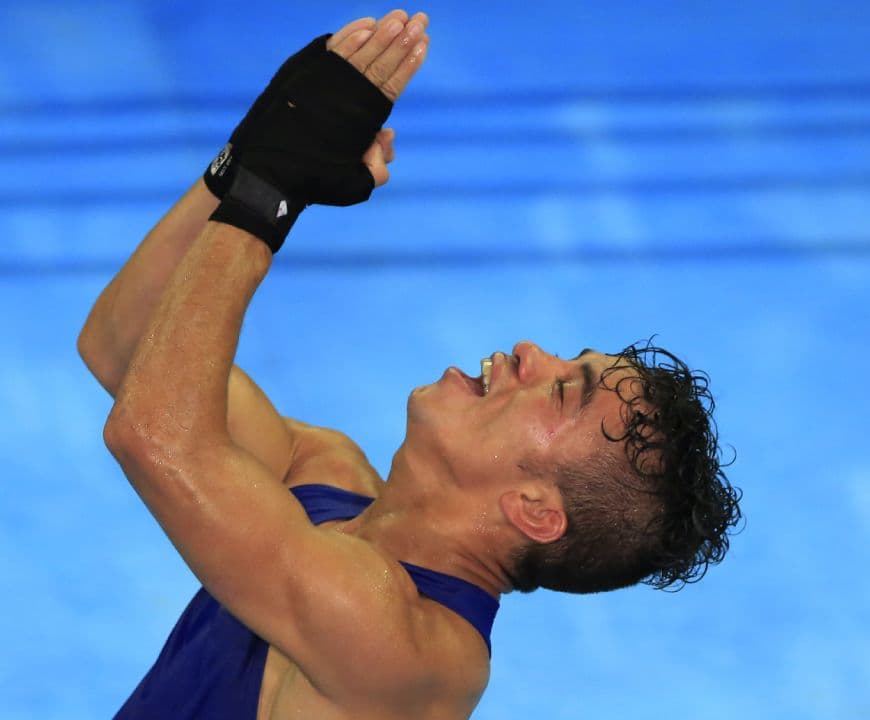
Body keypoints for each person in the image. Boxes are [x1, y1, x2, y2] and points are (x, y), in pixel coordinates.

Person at [78, 10, 742, 719]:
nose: (530, 353)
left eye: (562, 393)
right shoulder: (321, 471)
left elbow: (153, 434)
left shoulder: (412, 656)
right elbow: (126, 347)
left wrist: (273, 186)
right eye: (564, 359)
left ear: (535, 511)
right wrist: (247, 158)